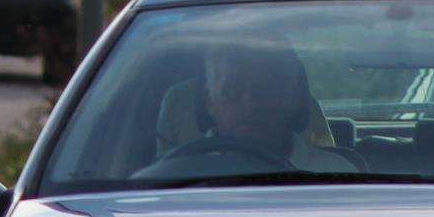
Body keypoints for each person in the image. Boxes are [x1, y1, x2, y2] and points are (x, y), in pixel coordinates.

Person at [145, 41, 355, 175]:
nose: (250, 104)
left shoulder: (337, 175)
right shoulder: (172, 179)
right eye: (232, 92)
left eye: (264, 90)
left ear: (290, 98)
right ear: (209, 102)